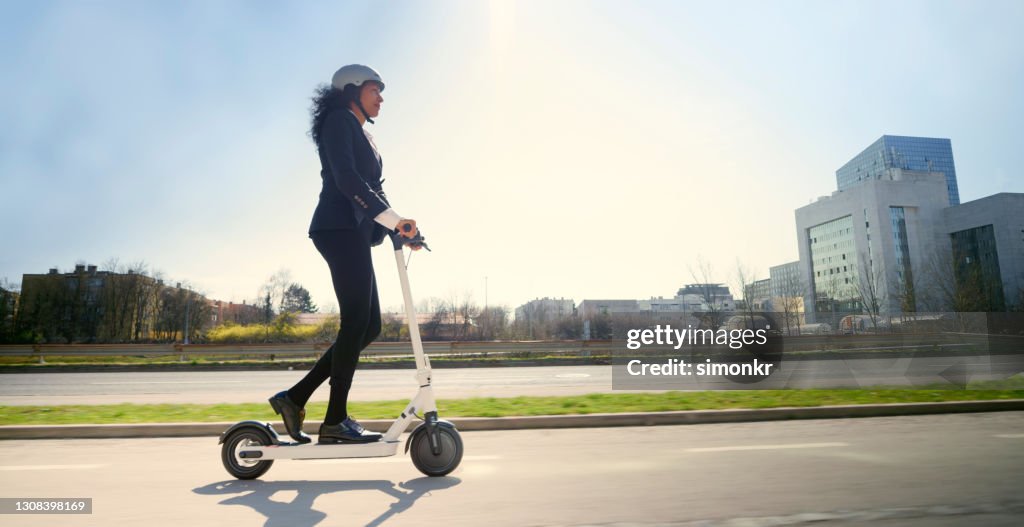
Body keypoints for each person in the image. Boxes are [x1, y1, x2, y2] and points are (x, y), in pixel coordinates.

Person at [268, 64, 420, 444]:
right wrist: (392, 220)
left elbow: (374, 190)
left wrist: (402, 227)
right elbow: (347, 179)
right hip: (337, 228)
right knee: (356, 322)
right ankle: (335, 421)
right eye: (375, 90)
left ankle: (295, 397)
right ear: (352, 91)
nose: (381, 98)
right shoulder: (338, 121)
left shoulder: (363, 135)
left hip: (353, 231)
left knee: (368, 326)